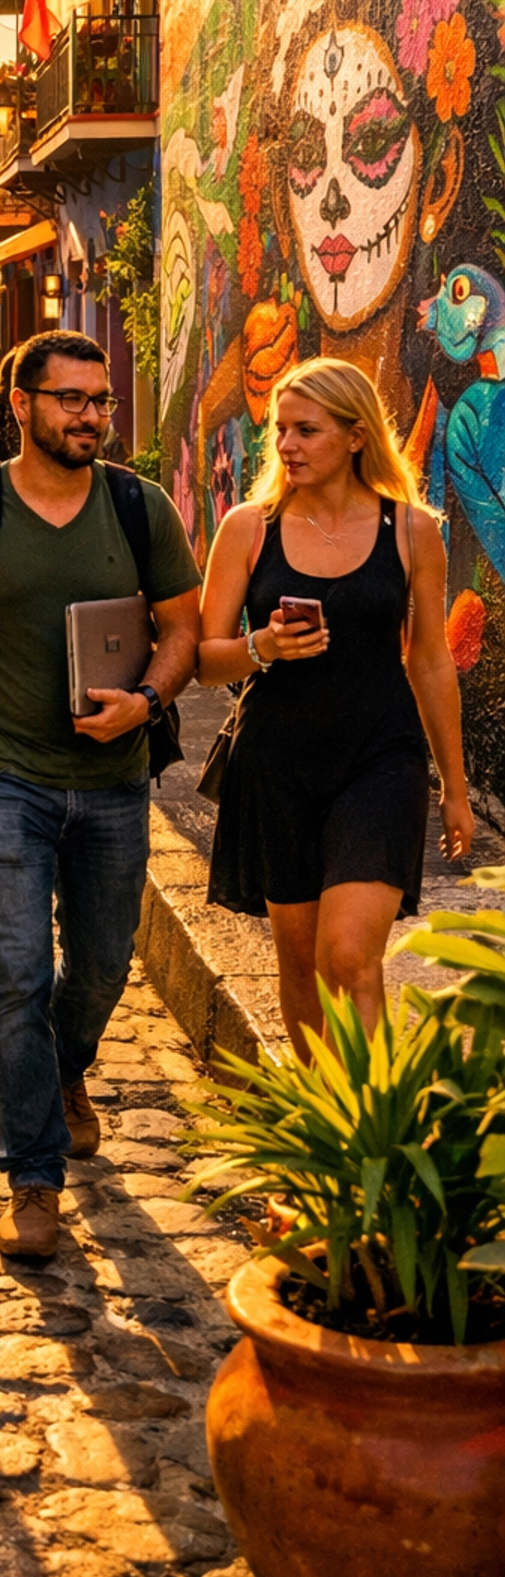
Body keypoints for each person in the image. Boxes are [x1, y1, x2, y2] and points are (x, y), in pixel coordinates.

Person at [0, 331, 201, 1262]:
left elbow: (183, 630)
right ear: (21, 405)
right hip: (1, 778)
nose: (91, 416)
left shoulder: (139, 507)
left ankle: (67, 1072)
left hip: (113, 785)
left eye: (101, 400)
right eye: (71, 399)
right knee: (15, 981)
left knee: (104, 967)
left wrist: (146, 702)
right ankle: (33, 1180)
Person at [198, 357, 471, 1058]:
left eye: (306, 431)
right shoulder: (247, 529)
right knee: (301, 962)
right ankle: (326, 1125)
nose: (287, 445)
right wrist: (260, 647)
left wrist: (455, 788)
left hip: (380, 760)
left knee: (348, 955)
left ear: (355, 437)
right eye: (280, 431)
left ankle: (372, 1133)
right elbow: (204, 659)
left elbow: (431, 660)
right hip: (276, 764)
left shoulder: (410, 531)